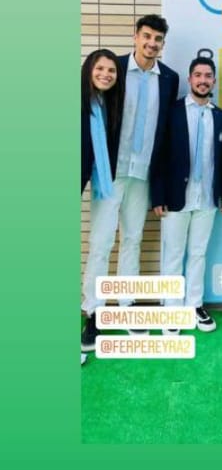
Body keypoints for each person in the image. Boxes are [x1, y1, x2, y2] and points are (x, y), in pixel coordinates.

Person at [81, 16, 179, 351]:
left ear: (162, 44)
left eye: (158, 39)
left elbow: (164, 133)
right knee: (101, 243)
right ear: (136, 36)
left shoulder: (169, 78)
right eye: (146, 36)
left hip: (143, 174)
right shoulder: (116, 69)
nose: (152, 43)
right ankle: (94, 312)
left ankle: (126, 305)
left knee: (133, 239)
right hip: (109, 172)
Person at [153, 56, 222, 333]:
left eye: (208, 76)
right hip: (176, 197)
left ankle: (194, 305)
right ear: (189, 79)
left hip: (207, 197)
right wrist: (157, 196)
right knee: (173, 255)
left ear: (214, 81)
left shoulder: (219, 116)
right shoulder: (172, 111)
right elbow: (159, 155)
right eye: (197, 75)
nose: (202, 80)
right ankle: (172, 309)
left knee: (198, 253)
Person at [80, 49, 125, 354]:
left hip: (103, 183)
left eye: (111, 70)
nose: (106, 74)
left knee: (101, 245)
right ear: (89, 70)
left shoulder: (111, 105)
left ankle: (93, 312)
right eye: (100, 68)